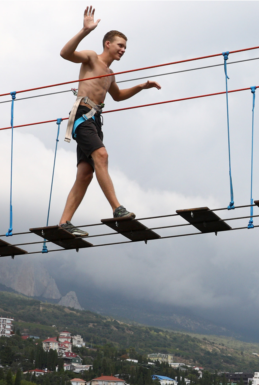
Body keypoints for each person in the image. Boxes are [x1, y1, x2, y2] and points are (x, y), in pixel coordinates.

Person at [58, 6, 161, 237]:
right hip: (82, 115)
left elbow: (117, 96)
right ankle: (117, 208)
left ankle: (64, 222)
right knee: (102, 156)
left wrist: (141, 87)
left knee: (85, 174)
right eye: (120, 45)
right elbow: (65, 54)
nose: (123, 50)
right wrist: (84, 31)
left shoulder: (110, 74)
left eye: (125, 47)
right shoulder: (91, 58)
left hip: (95, 121)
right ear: (107, 44)